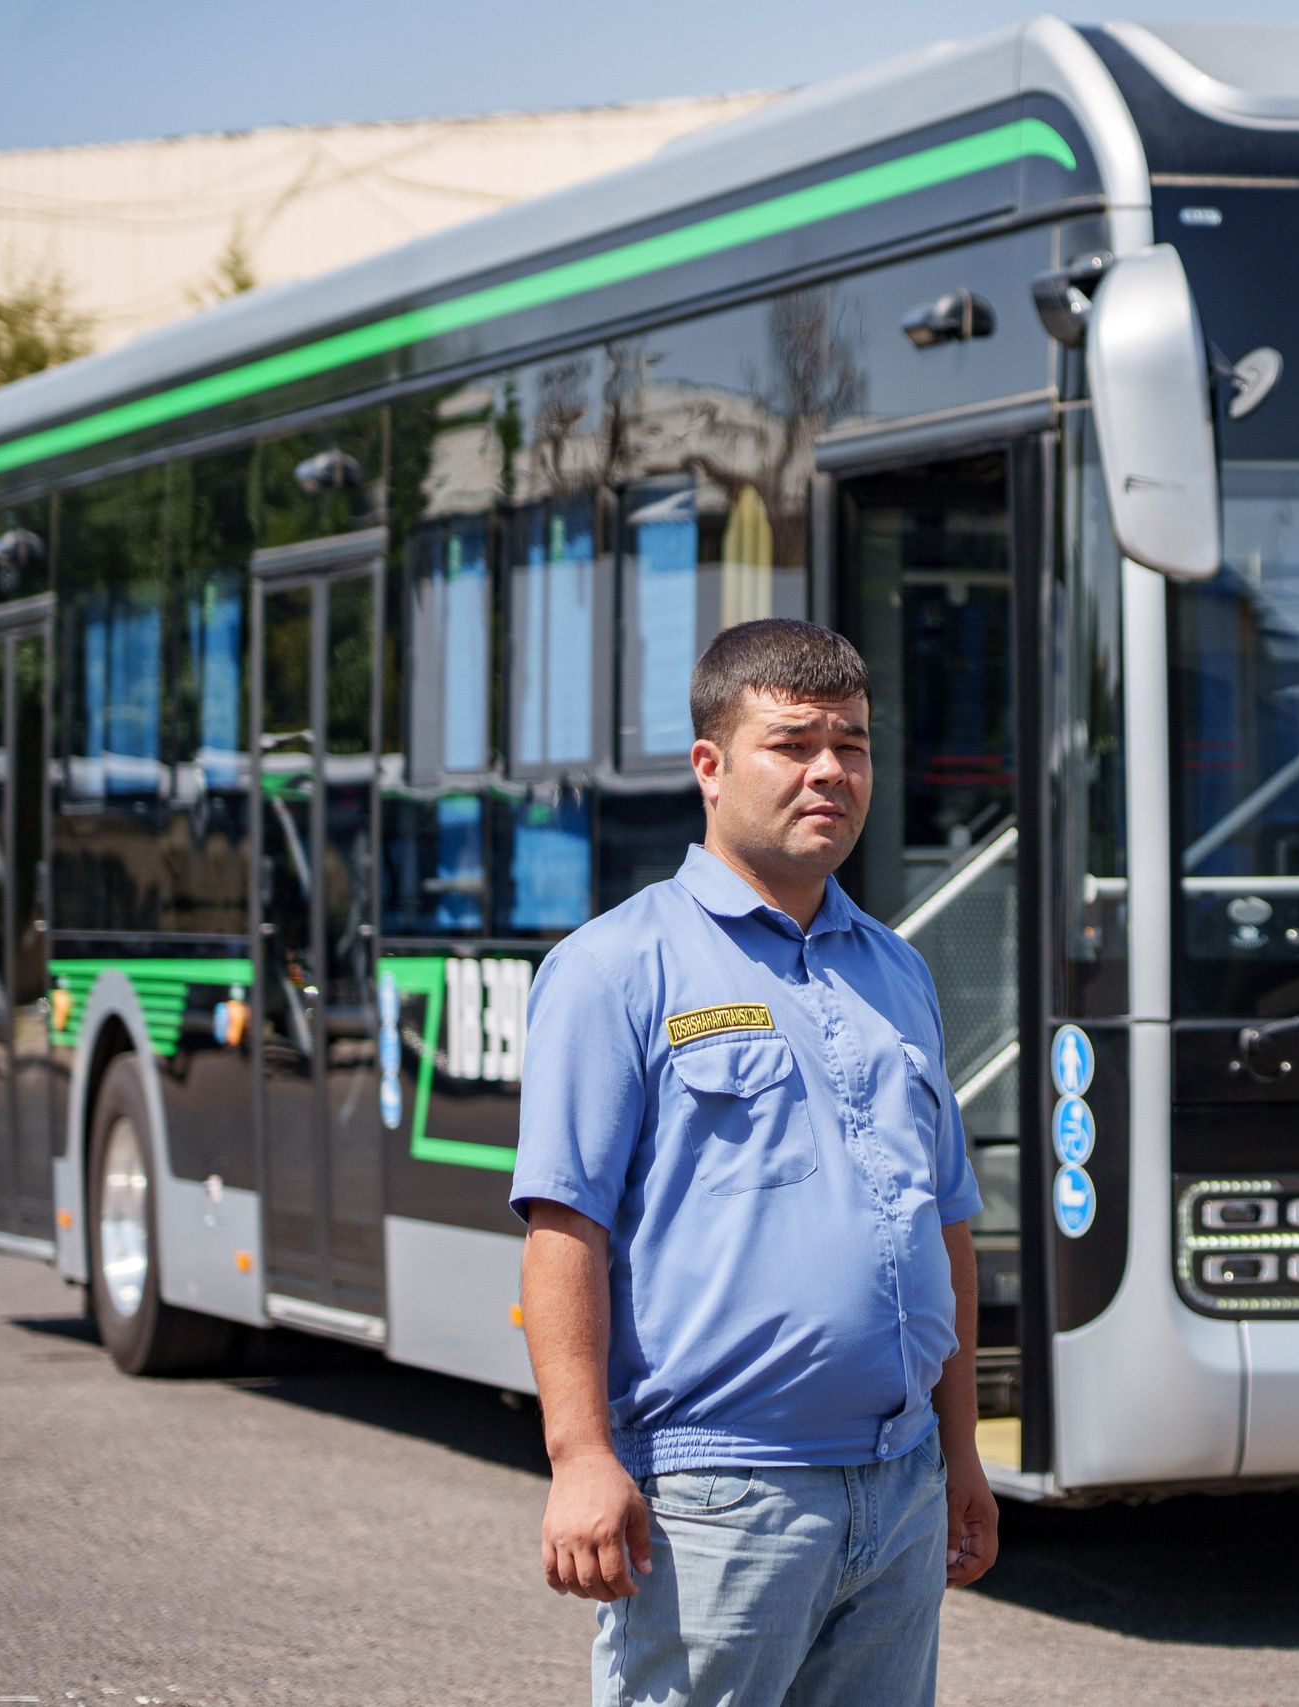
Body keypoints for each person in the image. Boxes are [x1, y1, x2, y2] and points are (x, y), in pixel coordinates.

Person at [511, 617, 998, 1707]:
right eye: (792, 743)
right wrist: (580, 1456)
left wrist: (959, 1452)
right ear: (710, 764)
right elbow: (564, 1229)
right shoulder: (615, 968)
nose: (830, 770)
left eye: (852, 744)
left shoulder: (898, 971)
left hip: (901, 1487)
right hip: (719, 1497)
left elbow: (945, 1224)